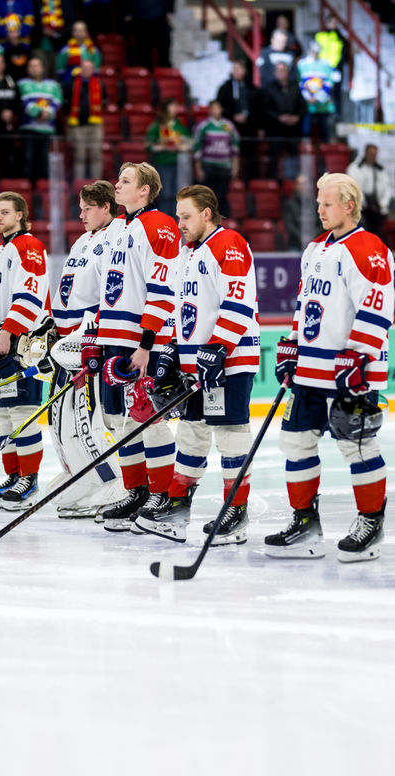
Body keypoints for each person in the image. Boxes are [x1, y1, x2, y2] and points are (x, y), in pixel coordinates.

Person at [269, 172, 395, 560]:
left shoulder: (369, 248)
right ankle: (304, 521)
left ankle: (371, 522)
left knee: (356, 444)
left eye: (326, 203)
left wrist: (358, 355)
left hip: (349, 370)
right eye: (318, 203)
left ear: (349, 205)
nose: (319, 210)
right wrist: (291, 344)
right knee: (296, 443)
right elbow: (304, 304)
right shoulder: (314, 249)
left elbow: (377, 307)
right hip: (309, 369)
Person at [133, 184, 259, 544]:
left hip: (228, 363)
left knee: (231, 435)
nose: (179, 224)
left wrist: (217, 348)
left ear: (207, 213)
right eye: (177, 216)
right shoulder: (189, 254)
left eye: (186, 216)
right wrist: (173, 348)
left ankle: (235, 513)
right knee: (192, 432)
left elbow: (238, 302)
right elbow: (181, 309)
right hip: (197, 363)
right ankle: (176, 506)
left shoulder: (229, 243)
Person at [91, 162, 181, 530]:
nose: (117, 184)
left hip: (140, 343)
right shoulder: (117, 228)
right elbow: (110, 290)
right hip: (116, 341)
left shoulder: (158, 225)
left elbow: (163, 290)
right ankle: (136, 491)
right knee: (119, 421)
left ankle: (161, 493)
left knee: (148, 419)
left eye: (125, 181)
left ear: (144, 190)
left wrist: (147, 344)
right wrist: (98, 339)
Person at [43, 180, 123, 517]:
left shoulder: (117, 237)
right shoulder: (82, 241)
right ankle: (80, 475)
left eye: (88, 207)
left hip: (87, 345)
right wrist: (50, 325)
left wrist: (90, 334)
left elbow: (119, 291)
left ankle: (109, 480)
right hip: (65, 345)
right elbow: (65, 291)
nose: (81, 214)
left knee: (85, 420)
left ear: (106, 207)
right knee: (59, 420)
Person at [0, 191, 50, 511]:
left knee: (22, 410)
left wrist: (8, 331)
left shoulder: (28, 245)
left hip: (22, 341)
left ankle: (29, 478)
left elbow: (30, 296)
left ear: (20, 215)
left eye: (6, 212)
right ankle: (13, 475)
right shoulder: (0, 251)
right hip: (0, 340)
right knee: (3, 413)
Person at [192, 100, 239, 218]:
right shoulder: (203, 126)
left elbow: (235, 147)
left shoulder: (228, 126)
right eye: (213, 108)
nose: (215, 111)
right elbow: (197, 148)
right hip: (208, 166)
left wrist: (235, 166)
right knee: (207, 195)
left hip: (224, 167)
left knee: (222, 195)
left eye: (218, 108)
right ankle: (207, 220)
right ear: (209, 110)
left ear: (221, 110)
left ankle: (223, 221)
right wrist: (198, 168)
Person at [18, 56, 60, 182]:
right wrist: (38, 113)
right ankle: (27, 188)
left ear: (42, 68)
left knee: (44, 159)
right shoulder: (22, 84)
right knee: (28, 158)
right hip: (28, 128)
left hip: (47, 129)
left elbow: (57, 101)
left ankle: (43, 189)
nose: (34, 68)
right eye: (31, 65)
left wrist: (47, 113)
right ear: (27, 69)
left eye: (37, 65)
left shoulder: (53, 85)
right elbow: (23, 101)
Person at [145, 98, 189, 216]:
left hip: (178, 163)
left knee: (177, 193)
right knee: (166, 193)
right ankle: (164, 218)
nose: (175, 108)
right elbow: (149, 145)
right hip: (163, 162)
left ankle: (175, 219)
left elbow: (189, 142)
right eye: (172, 106)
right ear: (166, 108)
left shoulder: (179, 125)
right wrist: (163, 147)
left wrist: (181, 146)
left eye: (176, 106)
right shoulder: (157, 125)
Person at [216, 60, 259, 181]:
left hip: (249, 128)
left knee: (250, 158)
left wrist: (249, 118)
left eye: (238, 68)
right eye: (234, 69)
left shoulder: (252, 88)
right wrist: (233, 116)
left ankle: (250, 183)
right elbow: (220, 107)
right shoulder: (225, 88)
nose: (235, 71)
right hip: (230, 127)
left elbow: (258, 108)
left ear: (244, 70)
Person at [262, 60, 304, 181]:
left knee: (293, 159)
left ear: (288, 72)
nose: (281, 73)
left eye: (283, 70)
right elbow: (264, 108)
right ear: (275, 73)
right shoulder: (269, 88)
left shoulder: (295, 87)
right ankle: (273, 184)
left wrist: (297, 117)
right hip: (276, 131)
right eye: (278, 70)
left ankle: (293, 184)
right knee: (274, 159)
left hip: (293, 131)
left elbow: (303, 107)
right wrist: (278, 118)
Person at [66, 58, 104, 181]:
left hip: (95, 125)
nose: (87, 70)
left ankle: (98, 183)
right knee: (79, 155)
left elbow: (105, 101)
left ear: (93, 70)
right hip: (78, 125)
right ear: (80, 69)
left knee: (96, 155)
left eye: (89, 68)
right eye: (84, 67)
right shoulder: (72, 83)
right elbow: (66, 104)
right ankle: (79, 182)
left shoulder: (99, 83)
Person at [348, 144, 394, 237]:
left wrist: (383, 203)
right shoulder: (355, 168)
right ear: (365, 153)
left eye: (374, 154)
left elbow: (387, 187)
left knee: (378, 234)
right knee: (363, 233)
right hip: (362, 207)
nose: (372, 156)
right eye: (370, 153)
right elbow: (354, 186)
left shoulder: (380, 169)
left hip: (378, 206)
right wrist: (363, 203)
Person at [296, 40, 337, 141]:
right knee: (306, 131)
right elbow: (299, 82)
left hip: (323, 105)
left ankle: (325, 153)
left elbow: (329, 82)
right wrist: (307, 97)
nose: (314, 54)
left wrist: (319, 97)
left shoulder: (325, 64)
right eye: (312, 51)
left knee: (324, 131)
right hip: (306, 105)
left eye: (316, 52)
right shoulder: (302, 64)